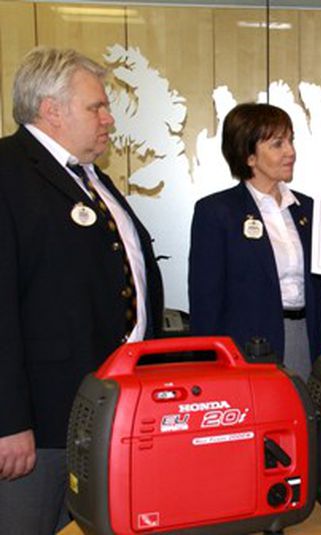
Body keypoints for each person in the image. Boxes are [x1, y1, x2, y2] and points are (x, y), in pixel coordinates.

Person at [0, 47, 164, 533]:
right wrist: (8, 421)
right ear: (51, 109)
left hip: (107, 409)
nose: (109, 119)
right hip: (42, 424)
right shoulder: (7, 173)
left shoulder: (90, 177)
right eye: (97, 107)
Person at [189, 103, 321, 380]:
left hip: (307, 338)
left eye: (290, 140)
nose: (290, 151)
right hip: (246, 348)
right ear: (249, 156)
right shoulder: (217, 212)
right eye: (278, 144)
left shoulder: (307, 209)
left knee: (305, 407)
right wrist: (208, 367)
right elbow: (206, 300)